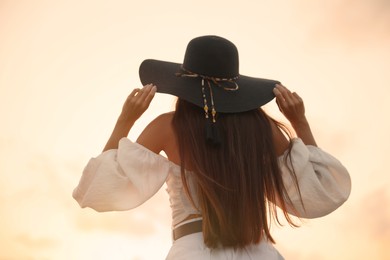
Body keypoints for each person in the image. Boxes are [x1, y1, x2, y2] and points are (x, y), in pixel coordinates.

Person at [73, 35, 351, 259]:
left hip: (191, 251)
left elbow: (101, 189)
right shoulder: (262, 130)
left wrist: (125, 120)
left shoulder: (167, 127)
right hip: (258, 252)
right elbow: (322, 191)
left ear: (183, 84)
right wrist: (300, 123)